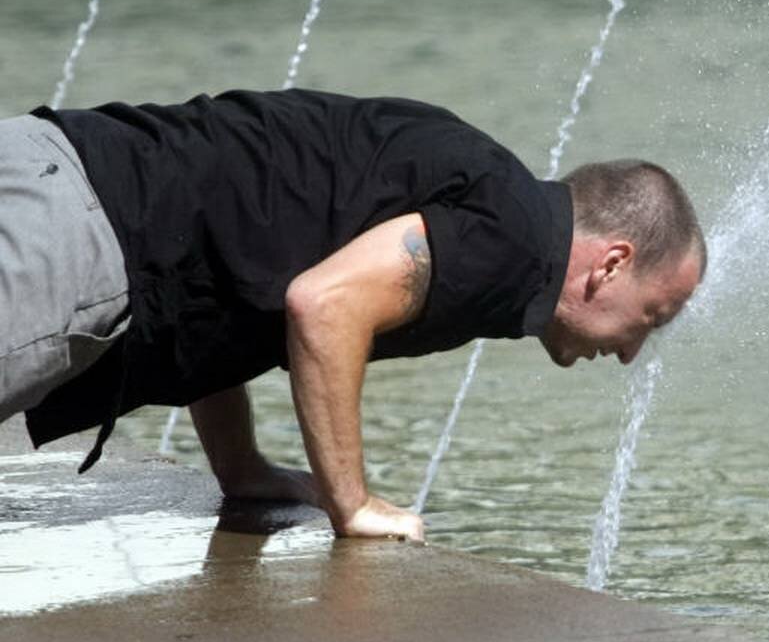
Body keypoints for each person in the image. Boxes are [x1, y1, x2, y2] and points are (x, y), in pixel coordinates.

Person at [0, 88, 705, 542]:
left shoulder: (488, 191)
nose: (633, 352)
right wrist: (353, 505)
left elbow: (231, 274)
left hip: (53, 168)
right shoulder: (512, 244)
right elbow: (324, 305)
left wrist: (240, 467)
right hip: (72, 233)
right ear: (611, 263)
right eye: (653, 316)